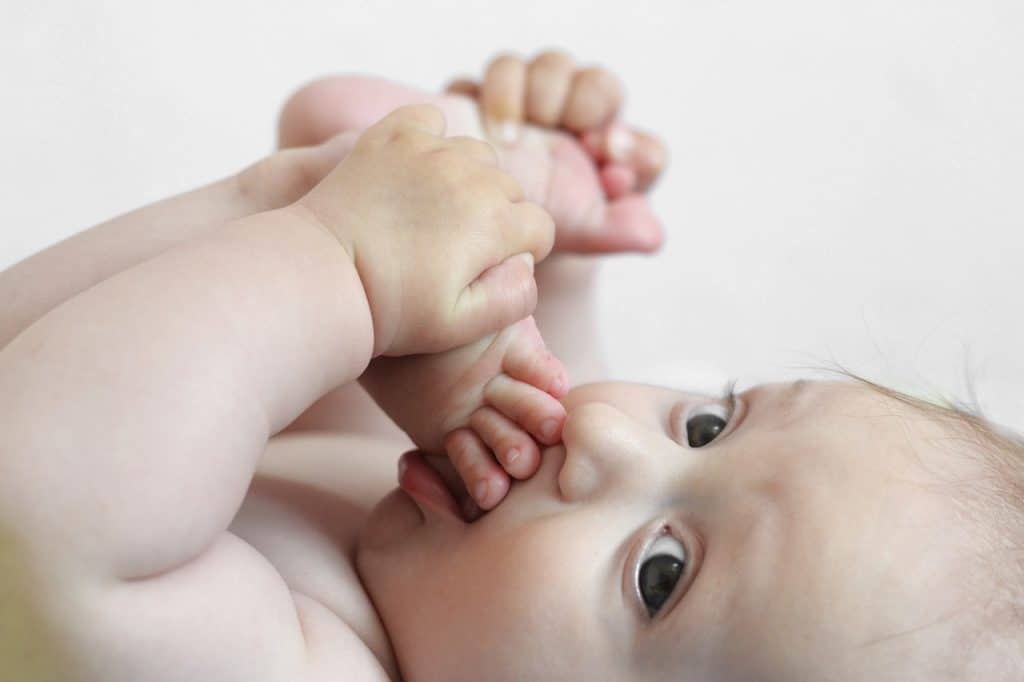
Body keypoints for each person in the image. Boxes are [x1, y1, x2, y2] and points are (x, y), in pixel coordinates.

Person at [1, 51, 1020, 681]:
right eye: (708, 423)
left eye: (661, 573)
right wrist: (523, 207)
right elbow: (336, 127)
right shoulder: (445, 559)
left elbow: (48, 518)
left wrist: (345, 264)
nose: (603, 433)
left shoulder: (305, 657)